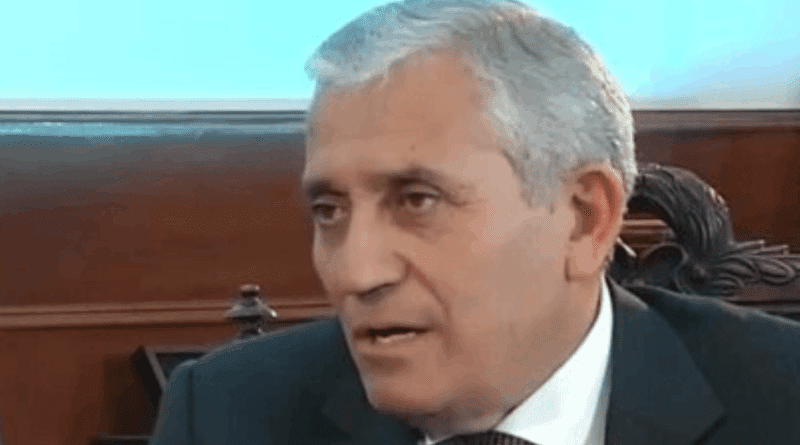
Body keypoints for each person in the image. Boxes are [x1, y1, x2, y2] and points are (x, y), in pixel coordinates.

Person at [148, 1, 800, 444]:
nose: (355, 271)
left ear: (584, 218)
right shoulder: (227, 416)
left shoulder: (781, 398)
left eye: (417, 200)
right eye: (330, 210)